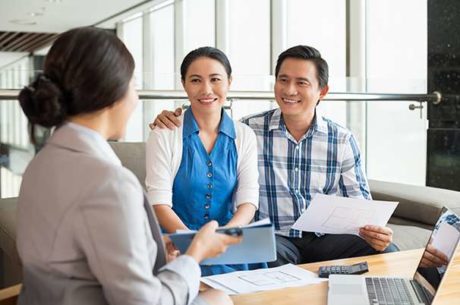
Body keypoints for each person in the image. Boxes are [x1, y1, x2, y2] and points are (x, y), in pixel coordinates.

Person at [16, 27, 239, 305]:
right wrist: (196, 254)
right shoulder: (108, 182)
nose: (135, 97)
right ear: (113, 92)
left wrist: (154, 249)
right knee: (219, 299)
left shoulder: (40, 164)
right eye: (133, 84)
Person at [151, 45, 398, 266]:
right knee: (259, 255)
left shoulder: (342, 139)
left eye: (301, 82)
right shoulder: (248, 131)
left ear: (322, 91)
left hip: (327, 239)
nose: (290, 90)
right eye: (283, 80)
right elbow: (207, 120)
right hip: (276, 239)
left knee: (387, 251)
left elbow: (362, 207)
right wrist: (173, 116)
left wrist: (376, 232)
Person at [146, 47, 263, 275]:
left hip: (226, 244)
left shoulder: (245, 135)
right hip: (174, 243)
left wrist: (223, 238)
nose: (206, 89)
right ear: (184, 84)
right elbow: (159, 203)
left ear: (229, 81)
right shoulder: (164, 133)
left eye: (215, 79)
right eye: (196, 80)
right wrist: (197, 245)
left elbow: (248, 201)